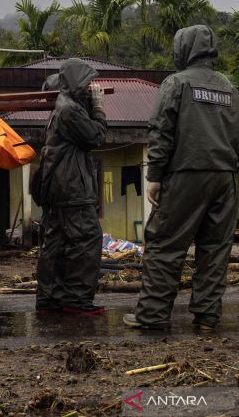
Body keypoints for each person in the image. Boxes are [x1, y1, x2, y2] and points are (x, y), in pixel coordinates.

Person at [124, 25, 239, 331]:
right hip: (225, 178)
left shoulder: (176, 83)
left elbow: (161, 130)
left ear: (184, 49)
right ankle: (207, 318)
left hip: (186, 174)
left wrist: (155, 175)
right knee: (215, 249)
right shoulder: (229, 88)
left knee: (165, 244)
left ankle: (152, 316)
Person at [33, 58, 107, 316]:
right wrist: (98, 108)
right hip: (73, 190)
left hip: (57, 188)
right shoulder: (70, 110)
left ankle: (49, 299)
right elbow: (95, 136)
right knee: (87, 241)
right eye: (87, 83)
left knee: (56, 245)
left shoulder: (60, 106)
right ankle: (76, 299)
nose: (91, 88)